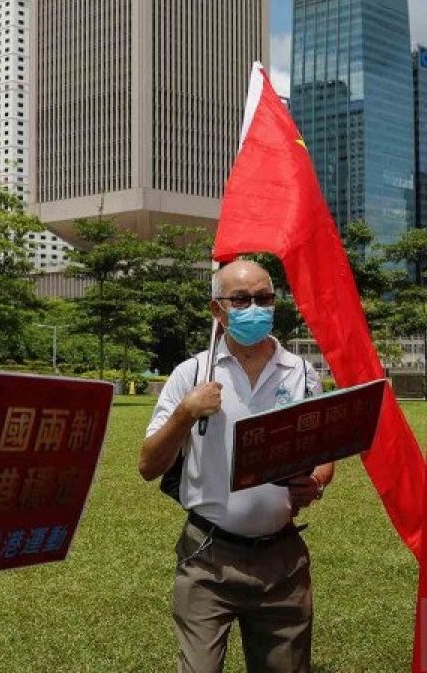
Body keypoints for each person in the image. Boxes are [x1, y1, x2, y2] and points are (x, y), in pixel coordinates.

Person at [138, 259, 333, 673]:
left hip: (282, 560)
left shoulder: (300, 373)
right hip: (208, 557)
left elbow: (321, 453)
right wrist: (185, 413)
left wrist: (315, 482)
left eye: (263, 299)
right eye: (241, 300)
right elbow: (148, 465)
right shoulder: (192, 373)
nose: (254, 309)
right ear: (217, 310)